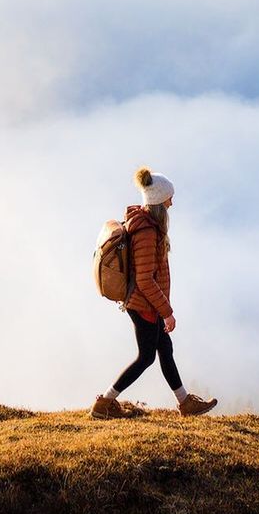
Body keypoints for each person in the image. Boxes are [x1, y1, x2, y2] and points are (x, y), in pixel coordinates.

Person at [91, 167, 218, 419]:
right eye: (169, 198)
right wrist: (167, 312)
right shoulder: (147, 232)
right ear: (160, 201)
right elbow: (145, 280)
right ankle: (104, 403)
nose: (172, 202)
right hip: (143, 304)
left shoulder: (146, 224)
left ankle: (185, 403)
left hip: (144, 302)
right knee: (146, 358)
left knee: (164, 348)